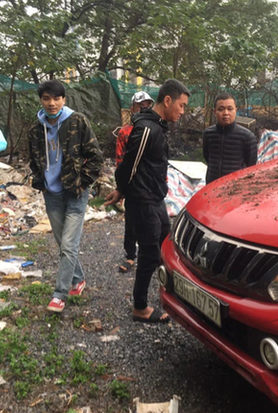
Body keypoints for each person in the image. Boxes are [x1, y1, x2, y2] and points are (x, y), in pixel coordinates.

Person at [104, 79, 190, 323]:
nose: (182, 112)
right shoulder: (147, 130)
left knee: (165, 241)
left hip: (155, 197)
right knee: (150, 253)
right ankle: (140, 307)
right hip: (143, 201)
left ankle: (169, 288)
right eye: (181, 106)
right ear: (167, 101)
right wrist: (121, 190)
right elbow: (128, 165)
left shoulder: (158, 126)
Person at [29, 79, 103, 313]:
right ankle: (78, 279)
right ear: (41, 100)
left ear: (64, 99)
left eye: (57, 98)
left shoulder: (77, 121)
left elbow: (96, 157)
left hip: (75, 194)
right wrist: (41, 180)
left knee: (69, 245)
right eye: (47, 98)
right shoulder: (35, 130)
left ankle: (60, 294)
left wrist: (83, 183)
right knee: (63, 243)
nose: (52, 103)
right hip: (51, 194)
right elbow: (33, 160)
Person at [115, 91, 154, 273]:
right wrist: (121, 188)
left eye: (147, 105)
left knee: (153, 222)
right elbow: (120, 159)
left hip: (150, 184)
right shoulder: (125, 132)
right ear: (132, 109)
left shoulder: (155, 129)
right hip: (132, 184)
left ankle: (153, 256)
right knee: (131, 222)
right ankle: (130, 255)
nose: (145, 109)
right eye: (141, 106)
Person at [203, 93, 257, 184]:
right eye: (221, 109)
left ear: (236, 110)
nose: (226, 113)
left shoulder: (247, 137)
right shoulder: (208, 134)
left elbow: (251, 166)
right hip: (212, 185)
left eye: (230, 109)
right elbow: (207, 157)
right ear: (214, 111)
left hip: (235, 188)